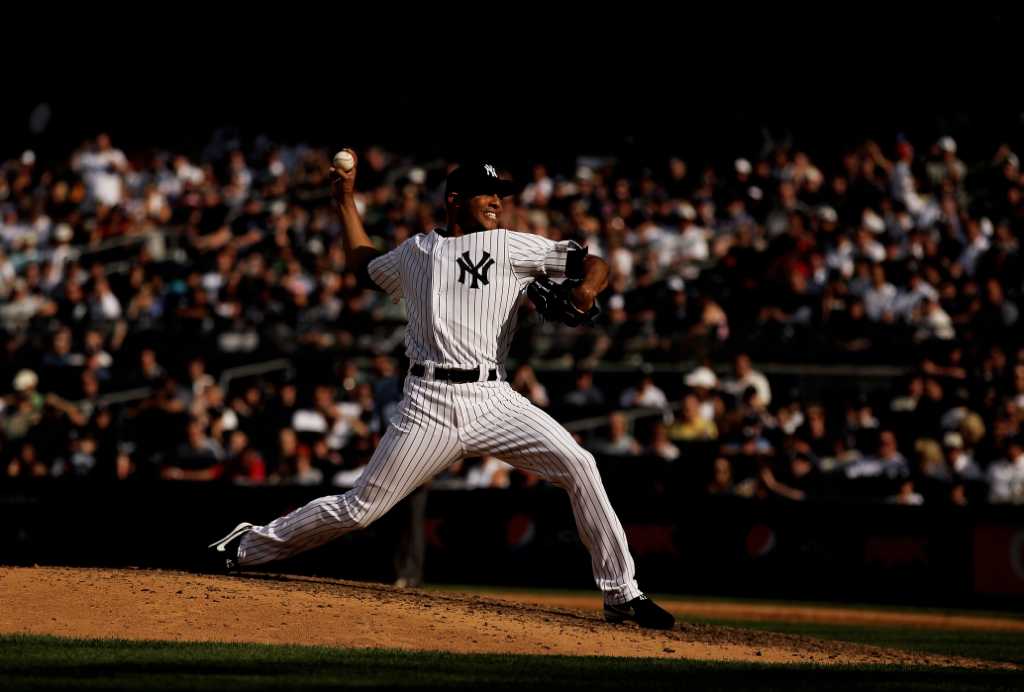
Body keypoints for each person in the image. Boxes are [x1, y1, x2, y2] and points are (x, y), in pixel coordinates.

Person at [209, 152, 674, 630]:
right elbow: (362, 264)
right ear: (454, 200)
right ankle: (245, 547)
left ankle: (622, 593)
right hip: (428, 403)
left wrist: (587, 291)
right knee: (361, 509)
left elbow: (591, 262)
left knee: (580, 465)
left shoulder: (514, 246)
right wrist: (345, 201)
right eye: (485, 193)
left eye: (501, 194)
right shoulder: (415, 253)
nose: (496, 201)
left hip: (494, 399)